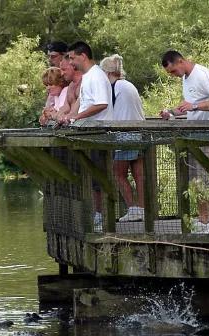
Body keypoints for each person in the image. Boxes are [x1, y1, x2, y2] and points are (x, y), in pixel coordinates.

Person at [160, 50, 209, 234]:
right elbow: (191, 106)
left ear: (181, 61)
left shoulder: (202, 74)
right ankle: (203, 220)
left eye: (173, 71)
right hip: (194, 137)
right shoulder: (185, 78)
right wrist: (172, 112)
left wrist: (195, 106)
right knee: (197, 181)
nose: (173, 76)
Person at [61, 41, 114, 230]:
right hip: (88, 133)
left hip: (99, 134)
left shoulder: (96, 76)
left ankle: (102, 218)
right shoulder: (87, 76)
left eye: (73, 58)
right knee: (92, 179)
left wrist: (77, 117)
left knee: (99, 179)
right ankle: (97, 215)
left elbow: (101, 103)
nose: (71, 62)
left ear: (83, 56)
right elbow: (83, 104)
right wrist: (68, 117)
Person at [100, 54, 145, 222]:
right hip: (140, 133)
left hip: (125, 135)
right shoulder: (128, 85)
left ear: (106, 73)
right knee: (139, 174)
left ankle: (133, 209)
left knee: (117, 172)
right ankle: (142, 208)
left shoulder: (114, 87)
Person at [56, 56, 83, 121]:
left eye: (64, 69)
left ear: (73, 66)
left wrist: (69, 117)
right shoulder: (71, 85)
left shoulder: (85, 82)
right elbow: (66, 107)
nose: (62, 74)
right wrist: (57, 115)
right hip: (74, 127)